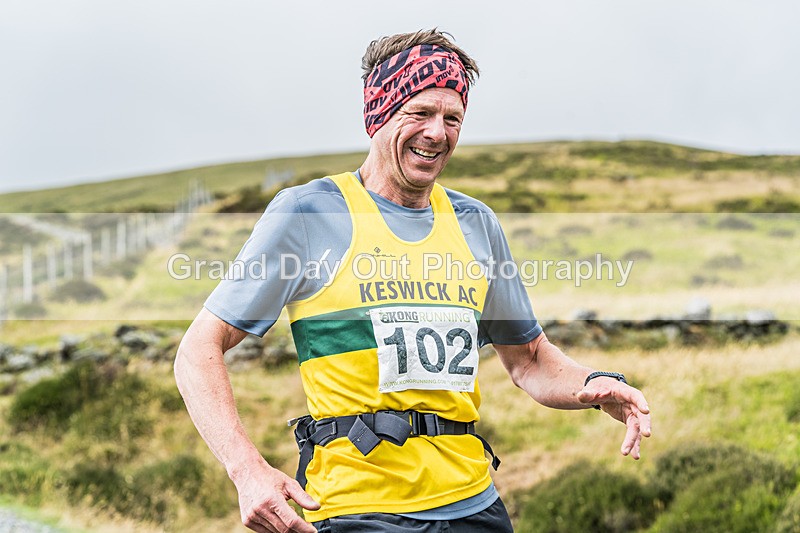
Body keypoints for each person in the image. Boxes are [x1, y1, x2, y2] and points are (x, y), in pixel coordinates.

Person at [174, 29, 651, 533]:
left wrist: (595, 384)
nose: (437, 133)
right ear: (378, 114)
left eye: (453, 118)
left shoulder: (475, 223)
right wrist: (247, 470)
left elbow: (530, 359)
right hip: (357, 510)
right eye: (419, 113)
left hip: (474, 507)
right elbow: (197, 349)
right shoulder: (309, 214)